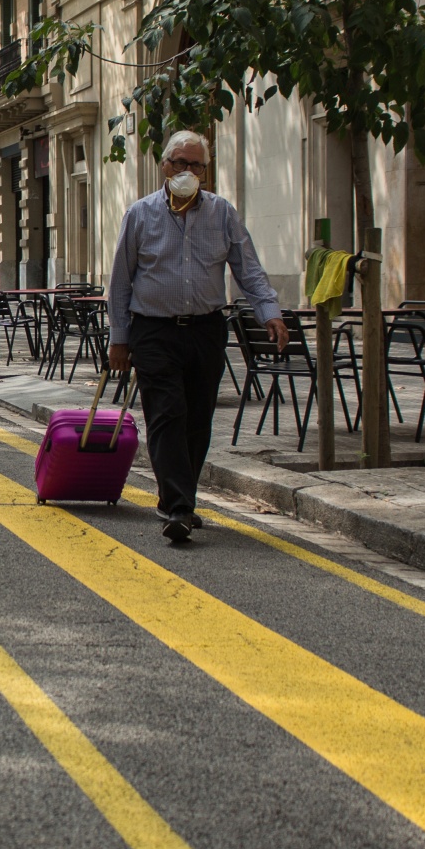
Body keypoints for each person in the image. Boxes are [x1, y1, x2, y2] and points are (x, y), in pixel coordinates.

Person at [107, 130, 289, 545]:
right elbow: (120, 283)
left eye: (196, 165)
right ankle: (179, 507)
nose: (187, 171)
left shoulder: (222, 213)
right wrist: (120, 340)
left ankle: (177, 497)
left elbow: (249, 269)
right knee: (167, 413)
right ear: (164, 167)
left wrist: (270, 313)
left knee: (197, 419)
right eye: (179, 163)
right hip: (153, 330)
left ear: (206, 171)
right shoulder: (140, 214)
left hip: (206, 329)